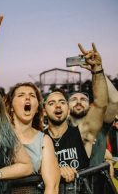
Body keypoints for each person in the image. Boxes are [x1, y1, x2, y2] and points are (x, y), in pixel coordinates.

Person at [43, 43, 108, 182]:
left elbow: (101, 104)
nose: (57, 106)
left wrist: (97, 69)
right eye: (51, 103)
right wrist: (56, 170)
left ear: (68, 109)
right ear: (44, 111)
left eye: (62, 102)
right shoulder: (38, 139)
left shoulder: (82, 132)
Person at [5, 82, 60, 194]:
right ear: (11, 107)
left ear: (36, 109)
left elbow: (52, 187)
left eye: (32, 95)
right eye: (21, 95)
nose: (27, 98)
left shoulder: (44, 140)